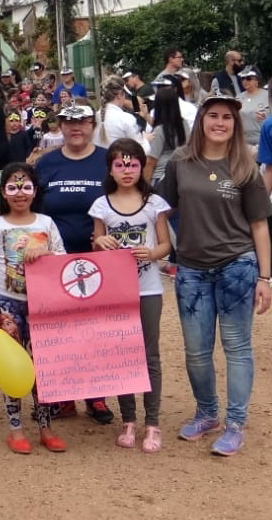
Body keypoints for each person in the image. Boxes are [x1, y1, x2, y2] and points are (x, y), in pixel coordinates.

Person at [157, 91, 272, 456]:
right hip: (191, 268)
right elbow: (160, 207)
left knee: (237, 347)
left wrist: (265, 278)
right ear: (201, 120)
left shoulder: (244, 167)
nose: (220, 122)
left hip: (237, 265)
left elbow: (259, 226)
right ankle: (207, 412)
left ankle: (235, 422)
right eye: (213, 115)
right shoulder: (180, 161)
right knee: (196, 351)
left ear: (235, 124)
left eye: (227, 117)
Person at [35, 103, 114, 424]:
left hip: (98, 260)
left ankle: (96, 395)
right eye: (68, 122)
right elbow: (32, 206)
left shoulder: (107, 160)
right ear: (60, 127)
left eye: (81, 121)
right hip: (52, 263)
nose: (75, 127)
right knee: (57, 330)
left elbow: (124, 201)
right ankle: (63, 396)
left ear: (93, 124)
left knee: (96, 328)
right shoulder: (47, 163)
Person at [90, 138, 170, 453]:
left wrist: (151, 253)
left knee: (149, 355)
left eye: (133, 164)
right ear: (111, 167)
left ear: (141, 167)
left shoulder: (154, 204)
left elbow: (166, 245)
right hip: (116, 292)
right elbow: (97, 241)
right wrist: (100, 243)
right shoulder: (101, 205)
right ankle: (128, 419)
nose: (127, 171)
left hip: (148, 288)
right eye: (120, 165)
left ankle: (152, 422)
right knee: (122, 354)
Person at [0, 162, 66, 454]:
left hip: (42, 305)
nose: (20, 193)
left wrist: (46, 252)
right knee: (13, 367)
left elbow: (63, 258)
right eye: (13, 187)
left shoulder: (46, 223)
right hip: (7, 305)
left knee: (42, 367)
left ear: (35, 190)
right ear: (3, 192)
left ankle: (45, 427)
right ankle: (16, 429)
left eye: (26, 186)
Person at [94, 76, 148, 151]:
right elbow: (142, 149)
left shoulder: (94, 117)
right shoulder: (126, 118)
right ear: (119, 95)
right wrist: (146, 140)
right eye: (124, 93)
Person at [235, 66, 267, 147]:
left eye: (249, 78)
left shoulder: (267, 96)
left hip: (263, 140)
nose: (245, 81)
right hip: (242, 141)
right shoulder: (238, 97)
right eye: (243, 78)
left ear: (257, 80)